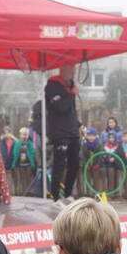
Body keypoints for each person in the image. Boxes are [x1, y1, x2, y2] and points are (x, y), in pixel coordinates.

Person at [45, 64, 81, 201]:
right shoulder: (52, 85)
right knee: (59, 164)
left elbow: (71, 110)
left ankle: (68, 193)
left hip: (73, 131)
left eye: (74, 70)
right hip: (60, 132)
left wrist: (77, 124)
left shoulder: (70, 86)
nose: (73, 73)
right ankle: (55, 196)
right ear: (62, 70)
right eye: (70, 70)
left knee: (75, 163)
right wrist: (71, 94)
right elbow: (60, 108)